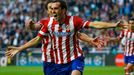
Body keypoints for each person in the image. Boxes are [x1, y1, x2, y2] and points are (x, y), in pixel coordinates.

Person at [6, 1, 104, 75]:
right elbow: (35, 30)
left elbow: (78, 34)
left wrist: (90, 40)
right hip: (49, 59)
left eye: (54, 8)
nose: (52, 10)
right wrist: (30, 25)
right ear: (47, 10)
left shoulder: (64, 22)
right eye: (49, 8)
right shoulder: (44, 22)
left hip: (64, 56)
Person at [35, 0, 123, 75]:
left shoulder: (74, 21)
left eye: (56, 8)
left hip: (75, 58)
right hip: (59, 62)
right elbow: (36, 36)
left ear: (63, 10)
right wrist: (30, 25)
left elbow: (94, 24)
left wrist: (114, 25)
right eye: (52, 9)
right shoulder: (48, 24)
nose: (53, 11)